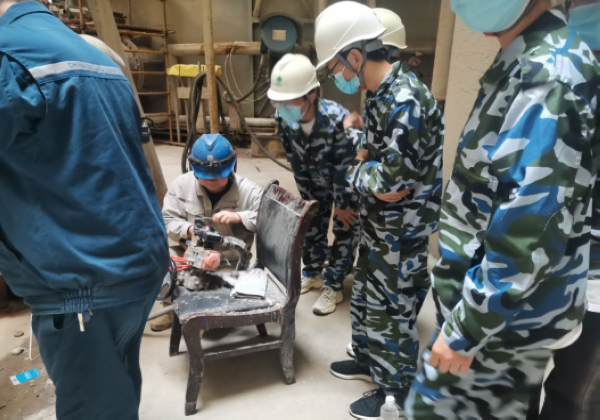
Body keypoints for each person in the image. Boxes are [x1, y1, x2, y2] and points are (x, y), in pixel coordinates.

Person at [405, 0, 600, 418]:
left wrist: (466, 329)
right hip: (487, 312)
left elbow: (530, 226)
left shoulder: (550, 72)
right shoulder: (527, 54)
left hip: (499, 322)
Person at [0, 1, 169, 419]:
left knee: (98, 406)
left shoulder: (8, 57)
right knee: (116, 389)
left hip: (84, 285)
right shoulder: (96, 54)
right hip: (137, 265)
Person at [314, 2, 444, 418]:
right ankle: (368, 360)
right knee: (367, 297)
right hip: (378, 222)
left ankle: (396, 391)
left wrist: (359, 170)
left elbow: (392, 180)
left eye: (334, 66)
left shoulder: (406, 100)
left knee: (393, 309)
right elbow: (372, 159)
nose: (335, 75)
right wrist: (367, 166)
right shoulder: (379, 96)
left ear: (355, 56)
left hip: (401, 230)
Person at [528, 1, 600, 418]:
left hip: (594, 285)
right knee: (516, 389)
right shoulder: (561, 81)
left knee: (574, 400)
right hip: (542, 271)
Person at [267, 53, 359, 316]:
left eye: (288, 100)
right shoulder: (283, 118)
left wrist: (342, 204)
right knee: (312, 223)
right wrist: (308, 198)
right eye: (278, 101)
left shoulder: (337, 120)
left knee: (344, 228)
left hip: (344, 184)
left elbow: (347, 167)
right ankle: (314, 272)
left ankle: (335, 285)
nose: (282, 106)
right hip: (312, 180)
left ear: (311, 95)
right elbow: (295, 159)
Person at [152, 133, 263, 331]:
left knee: (214, 322)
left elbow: (267, 219)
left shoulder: (250, 191)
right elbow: (166, 219)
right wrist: (188, 230)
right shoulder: (181, 186)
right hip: (189, 253)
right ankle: (170, 308)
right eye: (205, 178)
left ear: (232, 164)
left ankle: (205, 309)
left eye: (219, 177)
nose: (213, 182)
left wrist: (240, 217)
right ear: (192, 166)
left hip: (229, 261)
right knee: (161, 259)